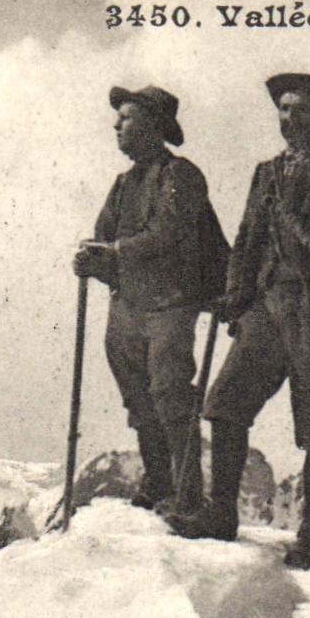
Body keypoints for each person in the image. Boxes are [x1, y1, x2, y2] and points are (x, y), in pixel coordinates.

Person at [173, 73, 310, 568]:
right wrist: (235, 297)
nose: (289, 119)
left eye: (300, 110)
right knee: (224, 406)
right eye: (283, 110)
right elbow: (247, 240)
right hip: (266, 314)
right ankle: (221, 514)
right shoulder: (266, 174)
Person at [73, 85, 211, 516]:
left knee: (170, 394)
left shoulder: (181, 176)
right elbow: (105, 238)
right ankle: (159, 483)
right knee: (139, 400)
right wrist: (91, 261)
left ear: (153, 126)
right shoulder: (122, 185)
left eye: (127, 118)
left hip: (171, 303)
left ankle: (187, 496)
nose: (117, 126)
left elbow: (169, 233)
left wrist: (114, 253)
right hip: (128, 307)